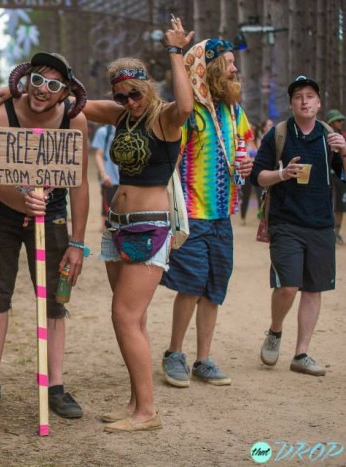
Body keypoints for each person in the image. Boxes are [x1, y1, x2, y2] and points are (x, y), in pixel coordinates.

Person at [78, 16, 193, 432]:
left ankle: (148, 413)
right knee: (134, 319)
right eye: (121, 94)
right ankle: (135, 402)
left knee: (124, 316)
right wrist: (17, 87)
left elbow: (186, 107)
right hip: (118, 225)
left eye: (134, 93)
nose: (129, 101)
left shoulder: (164, 117)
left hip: (149, 226)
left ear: (148, 87)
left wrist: (175, 52)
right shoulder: (120, 115)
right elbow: (73, 103)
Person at [0, 52, 89, 419]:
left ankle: (55, 386)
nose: (42, 90)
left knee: (55, 298)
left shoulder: (75, 121)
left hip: (51, 214)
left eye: (53, 85)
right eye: (38, 79)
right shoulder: (0, 114)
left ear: (65, 93)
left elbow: (79, 184)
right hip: (6, 212)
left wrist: (77, 243)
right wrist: (22, 201)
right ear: (26, 79)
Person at [160, 39, 254, 388]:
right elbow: (170, 157)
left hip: (222, 217)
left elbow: (246, 144)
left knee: (214, 286)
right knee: (191, 285)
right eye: (227, 63)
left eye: (233, 62)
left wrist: (247, 160)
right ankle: (174, 353)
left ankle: (203, 359)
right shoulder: (190, 112)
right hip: (193, 216)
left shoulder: (233, 111)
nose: (234, 69)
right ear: (210, 68)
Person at [252, 76, 346, 377]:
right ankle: (276, 330)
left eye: (310, 96)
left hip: (321, 224)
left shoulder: (330, 137)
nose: (304, 101)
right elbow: (258, 176)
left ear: (319, 103)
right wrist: (283, 173)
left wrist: (344, 151)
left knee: (313, 289)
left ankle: (301, 353)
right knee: (288, 286)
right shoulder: (278, 135)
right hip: (285, 222)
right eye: (298, 97)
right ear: (292, 104)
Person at [240, 120, 273, 225]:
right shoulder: (243, 143)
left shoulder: (258, 140)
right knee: (246, 195)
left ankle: (261, 217)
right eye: (249, 129)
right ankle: (243, 217)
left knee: (260, 194)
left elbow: (261, 154)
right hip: (247, 172)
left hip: (256, 170)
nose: (251, 131)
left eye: (252, 129)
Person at [90, 123, 119, 231]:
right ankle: (104, 226)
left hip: (126, 178)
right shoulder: (104, 132)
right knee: (107, 202)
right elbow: (98, 154)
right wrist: (103, 174)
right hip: (110, 177)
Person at [326, 109, 346, 244]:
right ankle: (329, 233)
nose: (341, 123)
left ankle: (337, 233)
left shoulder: (343, 136)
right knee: (330, 205)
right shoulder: (325, 135)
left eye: (342, 120)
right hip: (329, 177)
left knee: (341, 206)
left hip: (341, 177)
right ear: (332, 122)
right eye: (339, 121)